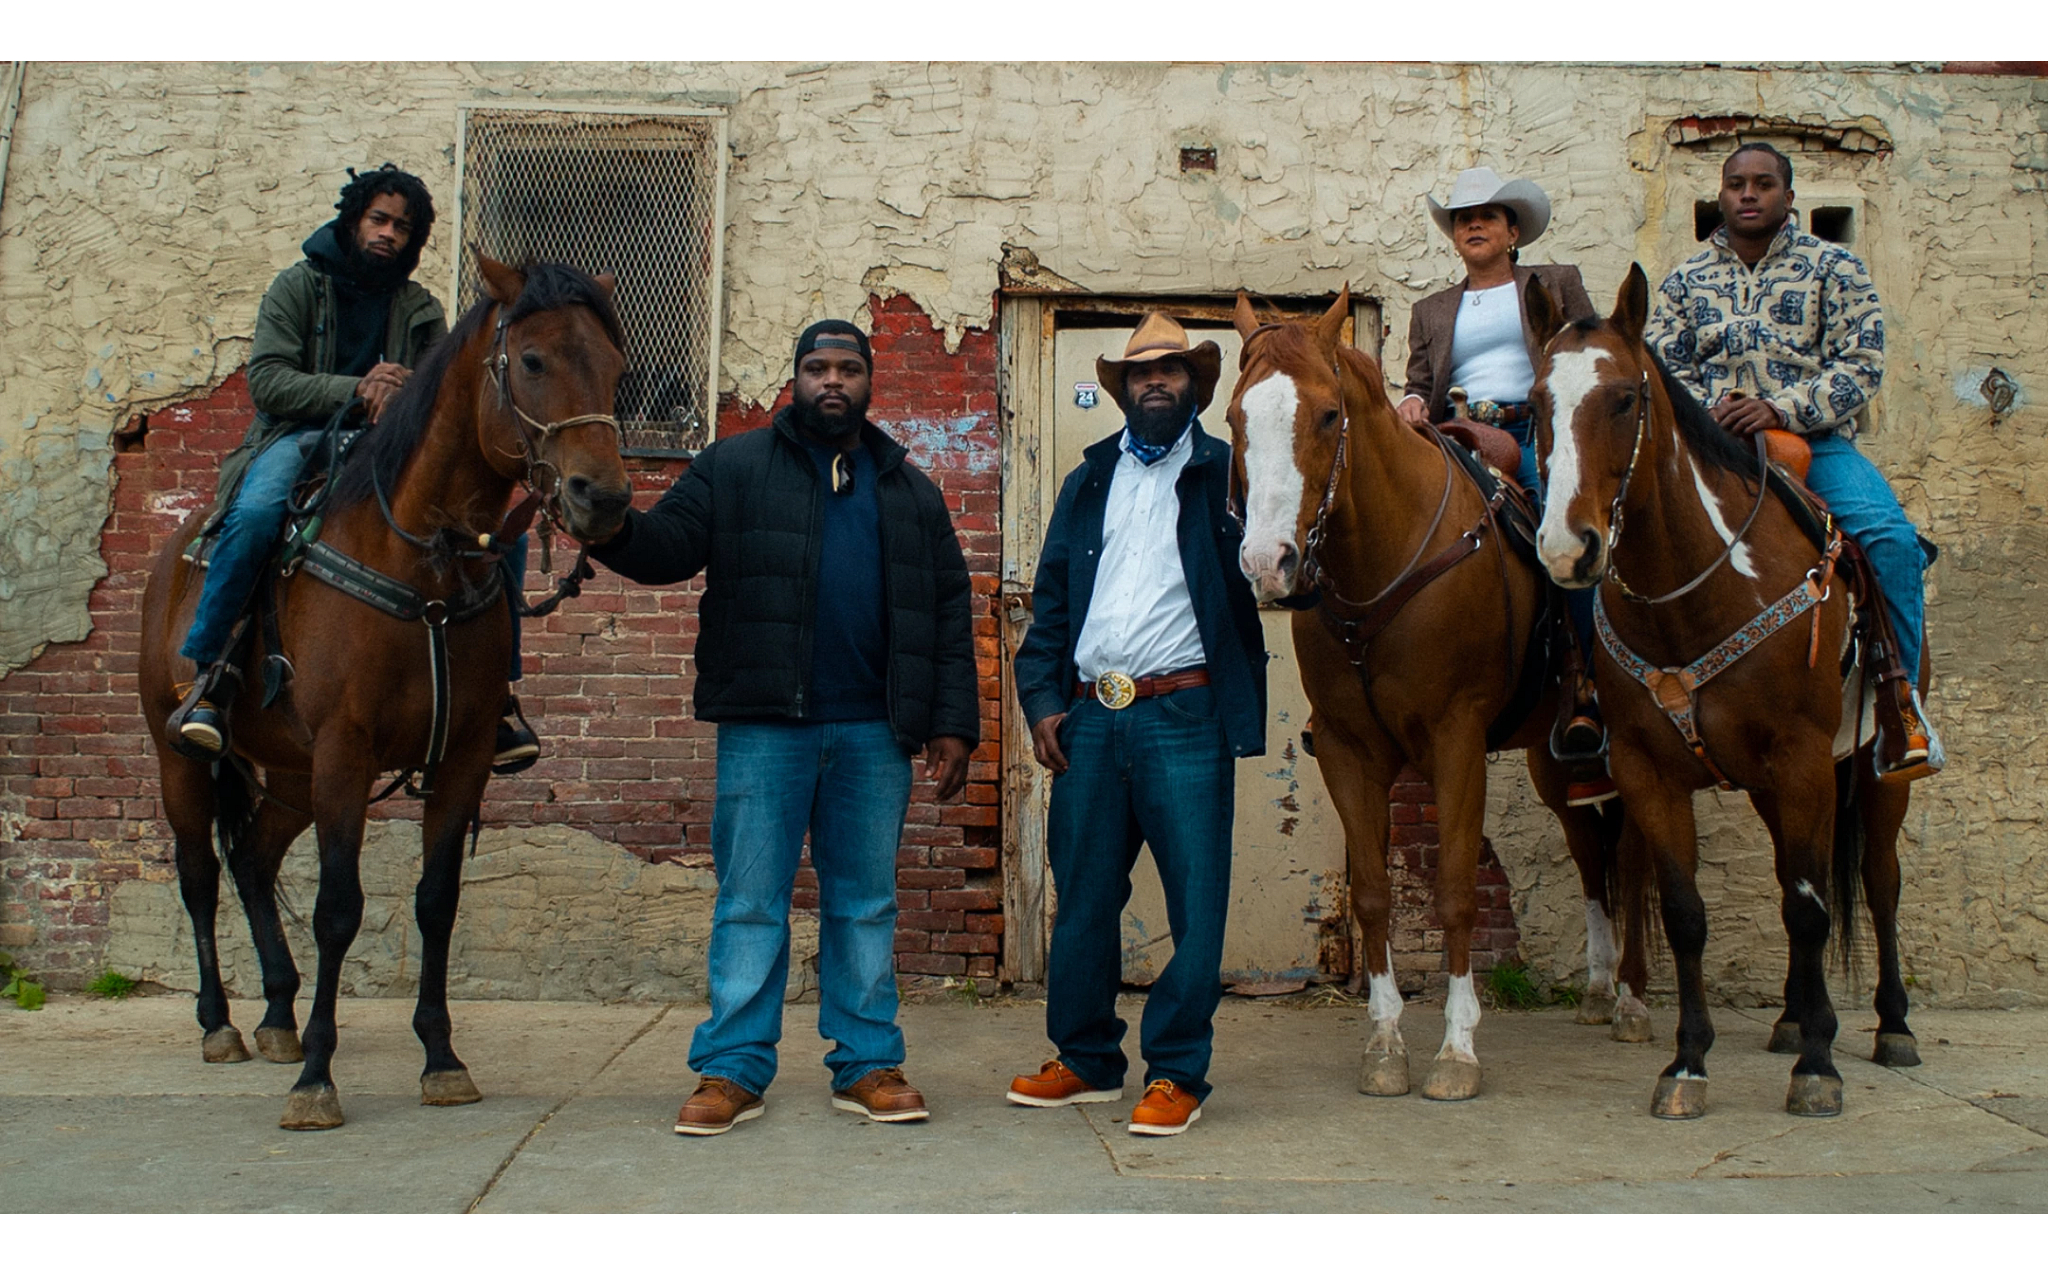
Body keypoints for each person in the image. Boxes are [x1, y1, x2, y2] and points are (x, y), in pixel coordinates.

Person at [589, 319, 978, 1136]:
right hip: (766, 727)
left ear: (870, 382)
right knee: (751, 902)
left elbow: (946, 612)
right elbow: (664, 548)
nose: (831, 381)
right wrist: (608, 520)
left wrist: (953, 724)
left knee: (865, 902)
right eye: (815, 367)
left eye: (846, 368)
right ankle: (732, 1068)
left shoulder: (909, 489)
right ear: (793, 378)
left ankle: (867, 1061)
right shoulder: (732, 467)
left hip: (875, 731)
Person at [170, 164, 542, 774]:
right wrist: (360, 386)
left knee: (501, 535)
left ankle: (499, 698)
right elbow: (267, 382)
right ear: (354, 220)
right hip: (297, 436)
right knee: (259, 513)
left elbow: (442, 395)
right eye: (379, 219)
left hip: (388, 449)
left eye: (403, 227)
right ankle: (210, 676)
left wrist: (410, 391)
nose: (389, 234)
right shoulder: (297, 286)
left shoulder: (420, 308)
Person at [1008, 314, 1267, 1137]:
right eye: (1141, 372)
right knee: (1083, 895)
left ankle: (1178, 1072)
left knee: (1196, 900)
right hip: (1090, 715)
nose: (1156, 381)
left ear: (1196, 384)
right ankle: (1086, 1059)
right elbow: (1050, 603)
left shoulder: (1230, 475)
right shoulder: (1088, 481)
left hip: (1184, 712)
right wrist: (1043, 701)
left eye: (1172, 370)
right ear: (1122, 389)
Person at [1647, 141, 1941, 781]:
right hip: (1708, 445)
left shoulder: (1837, 268)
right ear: (1719, 197)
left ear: (1789, 196)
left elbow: (1861, 366)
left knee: (1890, 539)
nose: (1747, 194)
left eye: (1763, 184)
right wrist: (1716, 408)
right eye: (1735, 184)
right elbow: (1663, 369)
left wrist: (1779, 408)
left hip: (1816, 445)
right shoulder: (1682, 281)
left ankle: (1899, 703)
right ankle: (1606, 700)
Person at [1396, 165, 1610, 788]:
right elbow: (1418, 381)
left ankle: (1582, 682)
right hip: (1461, 432)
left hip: (1542, 432)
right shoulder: (1432, 309)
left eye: (1487, 216)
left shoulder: (1557, 283)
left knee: (1566, 540)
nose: (1475, 226)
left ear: (1513, 231)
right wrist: (1410, 402)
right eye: (1464, 219)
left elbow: (1592, 353)